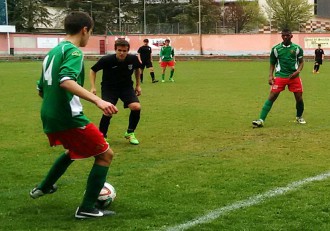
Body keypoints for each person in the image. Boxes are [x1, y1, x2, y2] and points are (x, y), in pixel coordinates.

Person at [30, 12, 119, 219]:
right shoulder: (74, 53)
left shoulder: (52, 52)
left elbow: (40, 89)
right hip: (67, 117)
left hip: (50, 114)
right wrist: (98, 100)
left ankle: (44, 186)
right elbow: (66, 81)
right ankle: (87, 208)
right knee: (105, 155)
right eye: (91, 32)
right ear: (85, 30)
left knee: (73, 150)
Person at [90, 39, 142, 145]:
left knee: (136, 107)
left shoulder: (133, 59)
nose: (122, 53)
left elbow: (137, 69)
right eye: (119, 50)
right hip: (109, 88)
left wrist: (138, 85)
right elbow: (93, 70)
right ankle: (102, 136)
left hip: (126, 87)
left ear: (128, 50)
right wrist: (93, 87)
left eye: (124, 50)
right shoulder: (107, 59)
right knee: (108, 111)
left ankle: (130, 133)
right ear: (115, 49)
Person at [252, 28, 306, 128]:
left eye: (287, 35)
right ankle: (261, 120)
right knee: (272, 97)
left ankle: (299, 117)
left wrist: (297, 71)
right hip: (280, 76)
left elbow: (301, 62)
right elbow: (272, 63)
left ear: (291, 36)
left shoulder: (297, 48)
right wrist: (270, 76)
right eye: (283, 35)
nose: (285, 37)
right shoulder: (276, 49)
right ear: (281, 36)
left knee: (299, 98)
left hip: (294, 77)